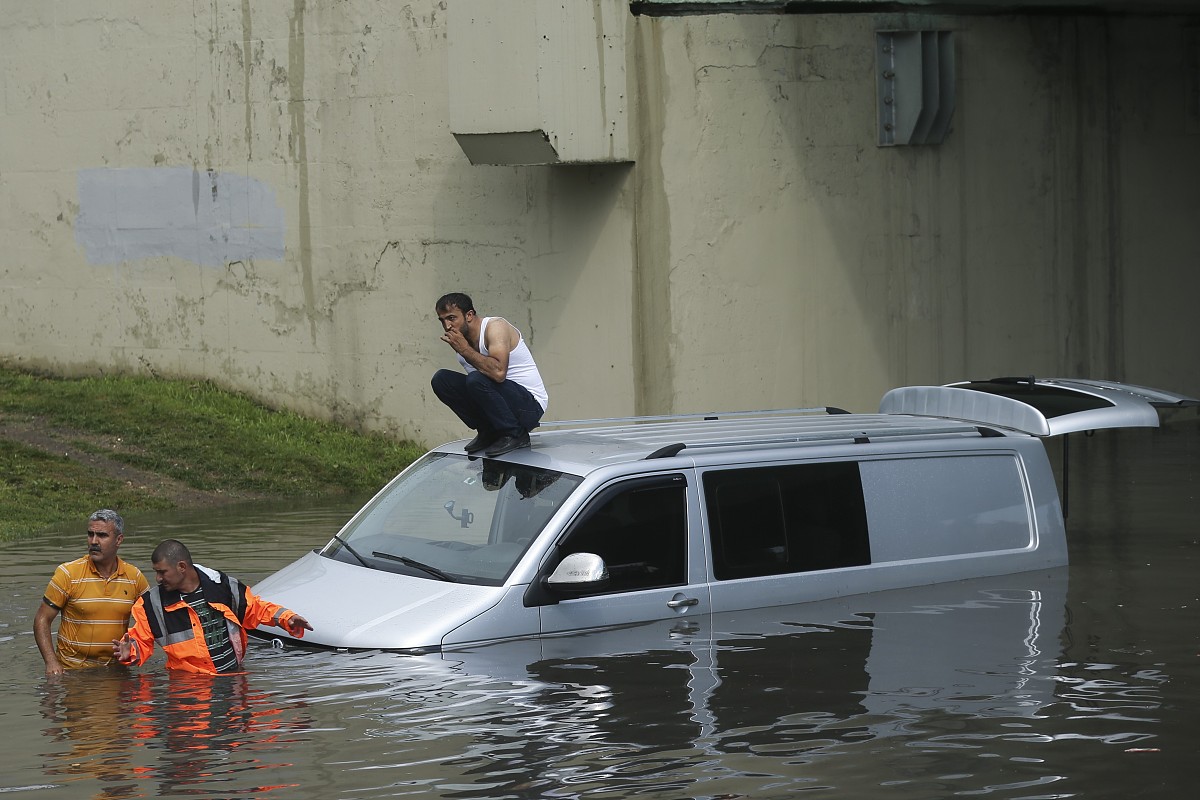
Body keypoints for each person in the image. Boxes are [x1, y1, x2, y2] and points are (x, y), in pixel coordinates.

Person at [113, 539, 312, 675]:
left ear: (182, 567)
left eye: (162, 572)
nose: (157, 578)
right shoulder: (151, 604)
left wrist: (286, 618)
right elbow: (140, 639)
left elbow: (255, 608)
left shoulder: (221, 586)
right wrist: (130, 651)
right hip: (188, 689)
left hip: (232, 678)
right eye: (156, 572)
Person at [431, 292, 549, 457]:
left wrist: (465, 349)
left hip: (530, 407)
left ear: (469, 315)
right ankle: (488, 430)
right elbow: (480, 392)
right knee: (441, 379)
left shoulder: (495, 328)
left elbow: (498, 373)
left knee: (476, 379)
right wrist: (464, 349)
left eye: (451, 318)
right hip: (502, 406)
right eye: (442, 320)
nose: (447, 326)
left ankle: (516, 434)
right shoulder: (462, 342)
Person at [34, 509, 150, 675]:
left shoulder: (134, 577)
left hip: (116, 671)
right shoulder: (68, 574)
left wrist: (134, 647)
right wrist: (51, 663)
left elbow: (151, 622)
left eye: (102, 535)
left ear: (118, 540)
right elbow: (42, 619)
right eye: (90, 534)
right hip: (72, 671)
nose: (94, 541)